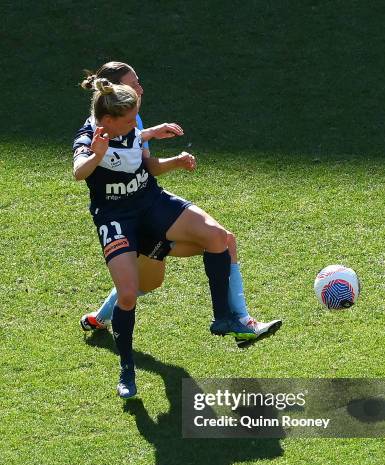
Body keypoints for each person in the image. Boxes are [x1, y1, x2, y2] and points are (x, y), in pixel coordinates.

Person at [73, 78, 280, 399]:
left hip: (150, 203)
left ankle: (224, 318)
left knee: (219, 238)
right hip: (115, 218)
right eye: (129, 120)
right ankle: (127, 369)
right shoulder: (88, 137)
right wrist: (96, 155)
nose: (135, 124)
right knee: (128, 295)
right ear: (108, 120)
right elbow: (79, 172)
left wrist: (151, 134)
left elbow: (135, 143)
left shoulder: (127, 127)